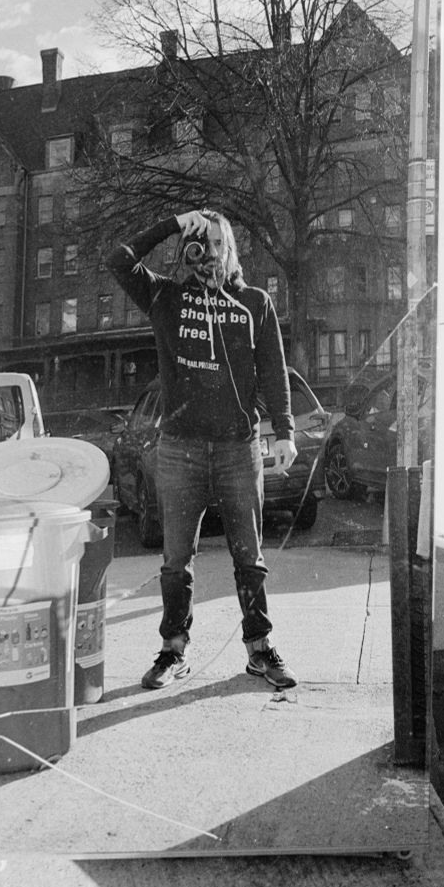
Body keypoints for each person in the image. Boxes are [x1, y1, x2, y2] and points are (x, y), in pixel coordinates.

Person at [106, 208, 298, 690]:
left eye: (216, 241)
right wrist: (173, 222)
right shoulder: (165, 298)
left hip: (238, 447)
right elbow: (118, 260)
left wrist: (286, 430)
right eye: (199, 241)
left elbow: (274, 370)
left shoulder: (255, 303)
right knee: (176, 559)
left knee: (248, 556)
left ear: (230, 248)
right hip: (180, 449)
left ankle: (259, 649)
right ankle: (173, 651)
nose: (207, 250)